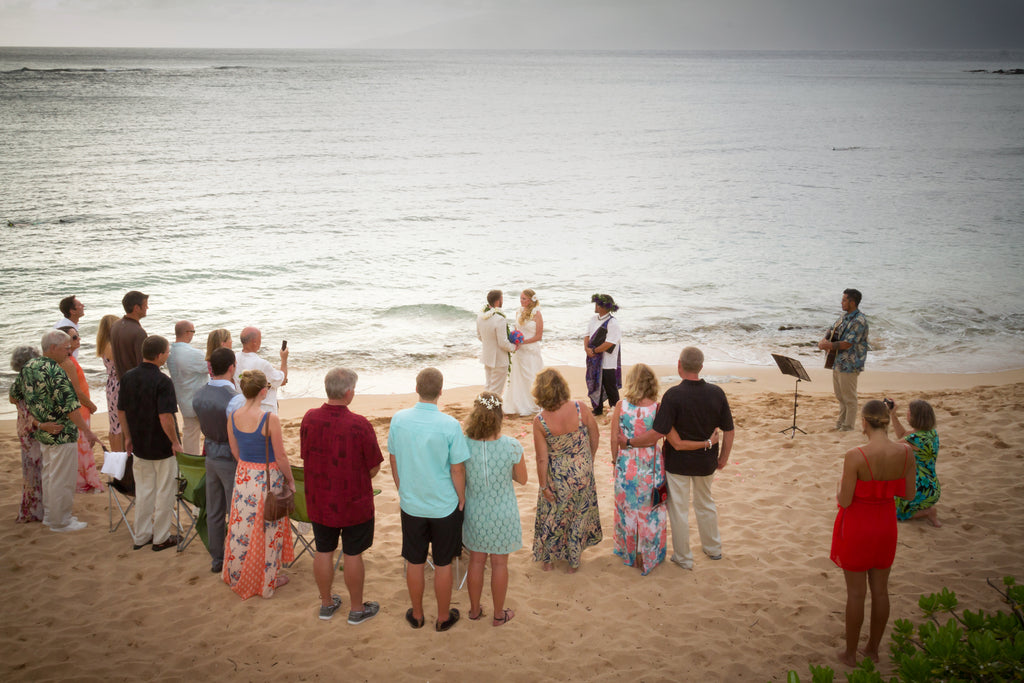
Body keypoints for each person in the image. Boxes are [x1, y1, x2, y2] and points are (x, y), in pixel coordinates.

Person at [627, 347, 734, 570]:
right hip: (706, 462)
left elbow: (660, 432)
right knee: (705, 503)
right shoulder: (717, 393)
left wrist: (628, 442)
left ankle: (684, 557)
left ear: (679, 365)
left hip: (678, 464)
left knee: (679, 510)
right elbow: (729, 430)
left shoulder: (673, 396)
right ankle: (713, 548)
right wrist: (723, 456)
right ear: (701, 367)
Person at [830, 400, 916, 667]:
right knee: (880, 591)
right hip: (885, 525)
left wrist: (839, 486)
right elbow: (910, 495)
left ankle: (850, 654)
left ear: (864, 422)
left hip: (858, 526)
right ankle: (873, 650)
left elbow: (844, 501)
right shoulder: (906, 452)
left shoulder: (856, 455)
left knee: (856, 594)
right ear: (887, 422)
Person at [387, 367, 470, 631]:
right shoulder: (449, 425)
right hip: (443, 505)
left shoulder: (399, 420)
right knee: (443, 562)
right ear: (441, 391)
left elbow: (394, 457)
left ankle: (418, 614)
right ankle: (444, 616)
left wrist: (402, 488)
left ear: (417, 388)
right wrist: (461, 497)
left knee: (415, 560)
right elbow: (457, 468)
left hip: (412, 504)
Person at [300, 368, 383, 624]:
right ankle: (357, 609)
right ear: (349, 393)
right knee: (353, 553)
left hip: (320, 499)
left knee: (323, 550)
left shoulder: (309, 419)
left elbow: (306, 456)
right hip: (352, 501)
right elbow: (373, 467)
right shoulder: (359, 424)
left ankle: (326, 604)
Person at [9, 330, 101, 532]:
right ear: (52, 348)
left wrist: (38, 414)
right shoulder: (56, 372)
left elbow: (14, 396)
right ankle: (61, 521)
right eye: (66, 348)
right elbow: (71, 408)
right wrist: (87, 431)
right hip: (62, 433)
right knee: (62, 479)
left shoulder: (29, 367)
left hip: (44, 433)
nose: (69, 352)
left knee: (50, 475)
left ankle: (52, 517)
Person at [224, 369, 296, 599]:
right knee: (268, 528)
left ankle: (239, 572)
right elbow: (281, 456)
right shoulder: (268, 418)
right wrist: (290, 480)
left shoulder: (233, 415)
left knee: (242, 526)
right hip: (267, 477)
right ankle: (267, 578)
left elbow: (235, 450)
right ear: (264, 391)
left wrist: (248, 468)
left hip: (244, 475)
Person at [462, 392, 528, 627]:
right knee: (500, 564)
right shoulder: (511, 445)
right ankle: (499, 615)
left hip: (476, 512)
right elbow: (522, 479)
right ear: (499, 415)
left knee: (476, 562)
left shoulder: (464, 445)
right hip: (503, 512)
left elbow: (460, 477)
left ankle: (473, 610)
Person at [531, 368, 602, 573]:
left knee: (553, 514)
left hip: (558, 476)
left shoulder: (541, 421)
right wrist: (590, 458)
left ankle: (548, 561)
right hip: (582, 471)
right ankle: (573, 562)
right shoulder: (580, 408)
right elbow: (595, 434)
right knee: (579, 515)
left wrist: (544, 485)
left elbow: (542, 458)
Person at [118, 335, 182, 551]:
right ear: (159, 355)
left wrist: (127, 436)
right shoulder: (163, 381)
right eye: (167, 352)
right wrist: (174, 442)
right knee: (165, 491)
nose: (168, 354)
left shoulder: (128, 377)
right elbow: (166, 416)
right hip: (161, 445)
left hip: (139, 443)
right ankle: (161, 537)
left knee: (144, 491)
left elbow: (121, 410)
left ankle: (141, 535)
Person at [610, 364, 667, 575]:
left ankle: (630, 554)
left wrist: (615, 462)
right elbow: (661, 436)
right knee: (651, 508)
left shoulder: (621, 406)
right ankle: (648, 554)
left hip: (627, 464)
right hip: (651, 463)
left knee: (628, 509)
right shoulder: (658, 408)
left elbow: (614, 438)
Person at [192, 347, 244, 574]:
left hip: (210, 454)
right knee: (235, 510)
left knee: (214, 509)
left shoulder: (199, 394)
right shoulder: (235, 400)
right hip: (230, 457)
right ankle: (236, 557)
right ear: (232, 367)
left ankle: (217, 558)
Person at [57, 326, 103, 493]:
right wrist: (91, 405)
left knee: (81, 442)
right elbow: (76, 390)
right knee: (82, 442)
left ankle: (81, 479)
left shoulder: (69, 360)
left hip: (79, 406)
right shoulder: (67, 362)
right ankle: (84, 481)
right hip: (79, 406)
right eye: (74, 337)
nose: (79, 340)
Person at [818, 288, 869, 431]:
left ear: (852, 302)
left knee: (849, 398)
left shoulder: (859, 320)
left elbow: (848, 343)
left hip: (850, 363)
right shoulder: (844, 317)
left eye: (844, 300)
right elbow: (832, 329)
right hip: (837, 361)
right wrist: (824, 339)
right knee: (841, 396)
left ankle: (848, 426)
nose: (841, 302)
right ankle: (841, 423)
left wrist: (828, 345)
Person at [890, 399, 941, 527]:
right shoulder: (931, 433)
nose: (907, 413)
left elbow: (887, 448)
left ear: (915, 417)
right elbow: (902, 435)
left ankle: (927, 512)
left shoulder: (915, 439)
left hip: (918, 489)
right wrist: (893, 415)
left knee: (893, 512)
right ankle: (924, 508)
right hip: (932, 488)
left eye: (909, 411)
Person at [10, 345, 43, 523]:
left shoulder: (18, 381)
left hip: (23, 427)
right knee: (36, 468)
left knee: (29, 468)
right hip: (33, 428)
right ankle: (36, 510)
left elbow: (15, 402)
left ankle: (31, 507)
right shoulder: (30, 381)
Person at [167, 320, 210, 455]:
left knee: (190, 433)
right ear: (187, 333)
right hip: (200, 400)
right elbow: (212, 368)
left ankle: (190, 463)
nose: (193, 335)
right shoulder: (192, 353)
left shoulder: (170, 352)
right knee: (211, 432)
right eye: (193, 332)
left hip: (183, 399)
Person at [504, 289, 544, 417]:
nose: (521, 301)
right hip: (519, 351)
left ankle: (533, 404)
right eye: (520, 298)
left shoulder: (537, 314)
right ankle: (517, 403)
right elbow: (517, 330)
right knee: (517, 377)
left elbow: (539, 336)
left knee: (531, 376)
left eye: (524, 299)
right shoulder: (518, 311)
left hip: (531, 350)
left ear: (531, 300)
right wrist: (514, 340)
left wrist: (524, 342)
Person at [234, 327, 287, 414]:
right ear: (254, 342)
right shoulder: (262, 364)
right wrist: (284, 359)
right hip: (264, 410)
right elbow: (282, 381)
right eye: (260, 339)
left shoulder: (235, 358)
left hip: (243, 408)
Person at [476, 290, 518, 398]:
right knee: (496, 391)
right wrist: (514, 347)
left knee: (488, 386)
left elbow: (480, 337)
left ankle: (484, 410)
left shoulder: (480, 316)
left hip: (487, 357)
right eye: (502, 299)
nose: (502, 301)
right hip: (499, 359)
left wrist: (490, 345)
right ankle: (491, 412)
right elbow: (503, 343)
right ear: (498, 301)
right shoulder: (500, 319)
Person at [584, 293, 622, 416]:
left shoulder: (612, 323)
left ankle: (615, 408)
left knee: (610, 385)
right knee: (595, 383)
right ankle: (598, 409)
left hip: (608, 361)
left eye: (597, 304)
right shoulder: (593, 319)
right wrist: (586, 348)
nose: (595, 306)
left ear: (602, 307)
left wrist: (594, 351)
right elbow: (587, 335)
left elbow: (609, 343)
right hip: (594, 359)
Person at [96, 314, 125, 452]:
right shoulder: (111, 346)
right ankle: (119, 454)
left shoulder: (104, 345)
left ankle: (116, 455)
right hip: (118, 384)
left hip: (112, 384)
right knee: (118, 424)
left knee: (114, 422)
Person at [110, 290, 149, 380]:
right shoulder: (139, 332)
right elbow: (143, 364)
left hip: (123, 382)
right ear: (136, 308)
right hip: (136, 384)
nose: (147, 308)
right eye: (145, 305)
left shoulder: (115, 325)